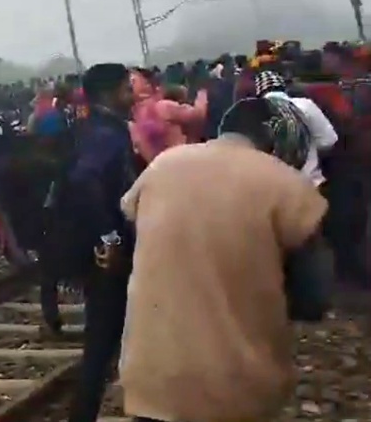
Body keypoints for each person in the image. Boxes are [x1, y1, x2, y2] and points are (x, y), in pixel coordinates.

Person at [118, 97, 331, 422]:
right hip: (237, 386)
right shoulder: (288, 185)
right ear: (275, 135)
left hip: (151, 376)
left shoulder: (163, 166)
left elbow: (135, 227)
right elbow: (313, 299)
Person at [61, 63, 138, 422]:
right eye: (127, 89)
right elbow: (85, 179)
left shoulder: (94, 128)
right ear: (109, 94)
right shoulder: (106, 134)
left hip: (101, 248)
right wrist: (110, 238)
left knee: (107, 340)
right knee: (102, 342)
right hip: (111, 255)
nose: (133, 95)